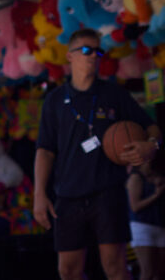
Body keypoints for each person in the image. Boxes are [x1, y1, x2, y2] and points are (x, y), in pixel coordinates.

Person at [36, 29, 161, 280]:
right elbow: (45, 150)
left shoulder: (114, 94)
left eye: (98, 50)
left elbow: (152, 127)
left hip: (108, 191)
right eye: (86, 50)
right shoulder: (55, 100)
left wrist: (152, 145)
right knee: (68, 270)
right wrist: (39, 194)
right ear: (70, 56)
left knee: (115, 267)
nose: (93, 55)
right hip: (67, 194)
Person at [130, 154, 165, 280]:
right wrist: (156, 195)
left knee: (159, 272)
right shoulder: (136, 177)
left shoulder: (157, 175)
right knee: (147, 272)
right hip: (142, 225)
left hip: (159, 224)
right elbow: (135, 206)